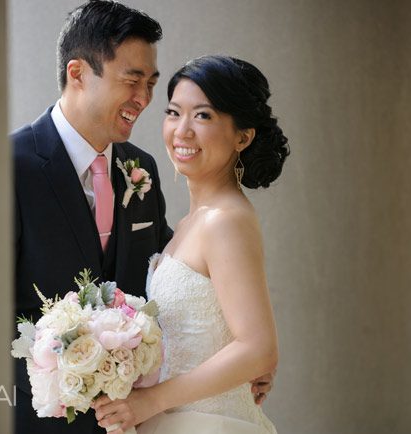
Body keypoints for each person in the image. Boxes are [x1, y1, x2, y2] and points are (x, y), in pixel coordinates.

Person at [12, 0, 273, 434]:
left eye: (151, 84)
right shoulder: (8, 167)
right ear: (77, 74)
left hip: (142, 419)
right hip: (39, 419)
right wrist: (64, 382)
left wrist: (243, 351)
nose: (144, 99)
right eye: (132, 81)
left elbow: (179, 281)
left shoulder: (140, 169)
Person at [92, 55, 289, 434]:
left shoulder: (226, 220)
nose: (182, 131)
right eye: (173, 112)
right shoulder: (188, 224)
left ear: (243, 137)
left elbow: (259, 347)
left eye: (203, 116)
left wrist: (152, 400)